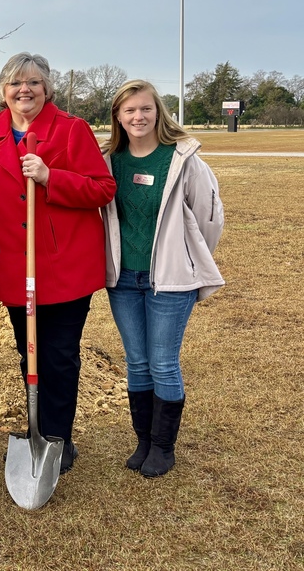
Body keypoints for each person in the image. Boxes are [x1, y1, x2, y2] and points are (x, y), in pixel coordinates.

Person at [0, 53, 116, 474]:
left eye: (34, 82)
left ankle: (59, 437)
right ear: (3, 92)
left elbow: (102, 188)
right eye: (16, 83)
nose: (25, 90)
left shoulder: (71, 130)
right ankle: (37, 427)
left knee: (58, 355)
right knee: (28, 352)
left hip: (61, 265)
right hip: (14, 265)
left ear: (47, 89)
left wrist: (51, 176)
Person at [103, 80, 224, 478]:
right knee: (136, 362)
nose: (138, 117)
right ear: (118, 117)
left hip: (170, 281)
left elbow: (208, 217)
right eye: (129, 110)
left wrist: (186, 259)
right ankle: (142, 439)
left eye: (145, 109)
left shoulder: (183, 160)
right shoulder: (109, 160)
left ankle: (163, 447)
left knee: (163, 363)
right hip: (123, 279)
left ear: (159, 112)